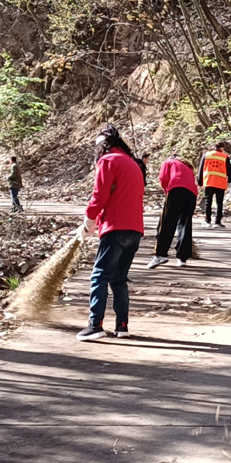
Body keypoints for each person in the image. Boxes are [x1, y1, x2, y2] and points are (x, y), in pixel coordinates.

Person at [76, 125, 145, 341]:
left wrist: (88, 221)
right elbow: (121, 198)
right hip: (134, 230)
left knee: (99, 276)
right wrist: (95, 223)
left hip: (116, 228)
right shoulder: (133, 164)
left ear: (103, 145)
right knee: (118, 279)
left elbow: (100, 195)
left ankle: (95, 325)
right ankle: (122, 326)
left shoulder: (108, 161)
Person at [147, 153, 198, 269]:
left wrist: (167, 192)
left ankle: (160, 254)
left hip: (176, 189)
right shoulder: (188, 167)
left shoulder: (169, 162)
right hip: (191, 194)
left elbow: (163, 178)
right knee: (185, 224)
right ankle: (182, 258)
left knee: (167, 221)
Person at [198, 142, 229, 227]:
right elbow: (229, 171)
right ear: (222, 148)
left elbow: (200, 169)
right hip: (220, 183)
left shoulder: (206, 155)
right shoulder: (225, 157)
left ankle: (207, 221)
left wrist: (199, 181)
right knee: (219, 203)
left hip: (209, 182)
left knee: (208, 202)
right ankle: (217, 222)